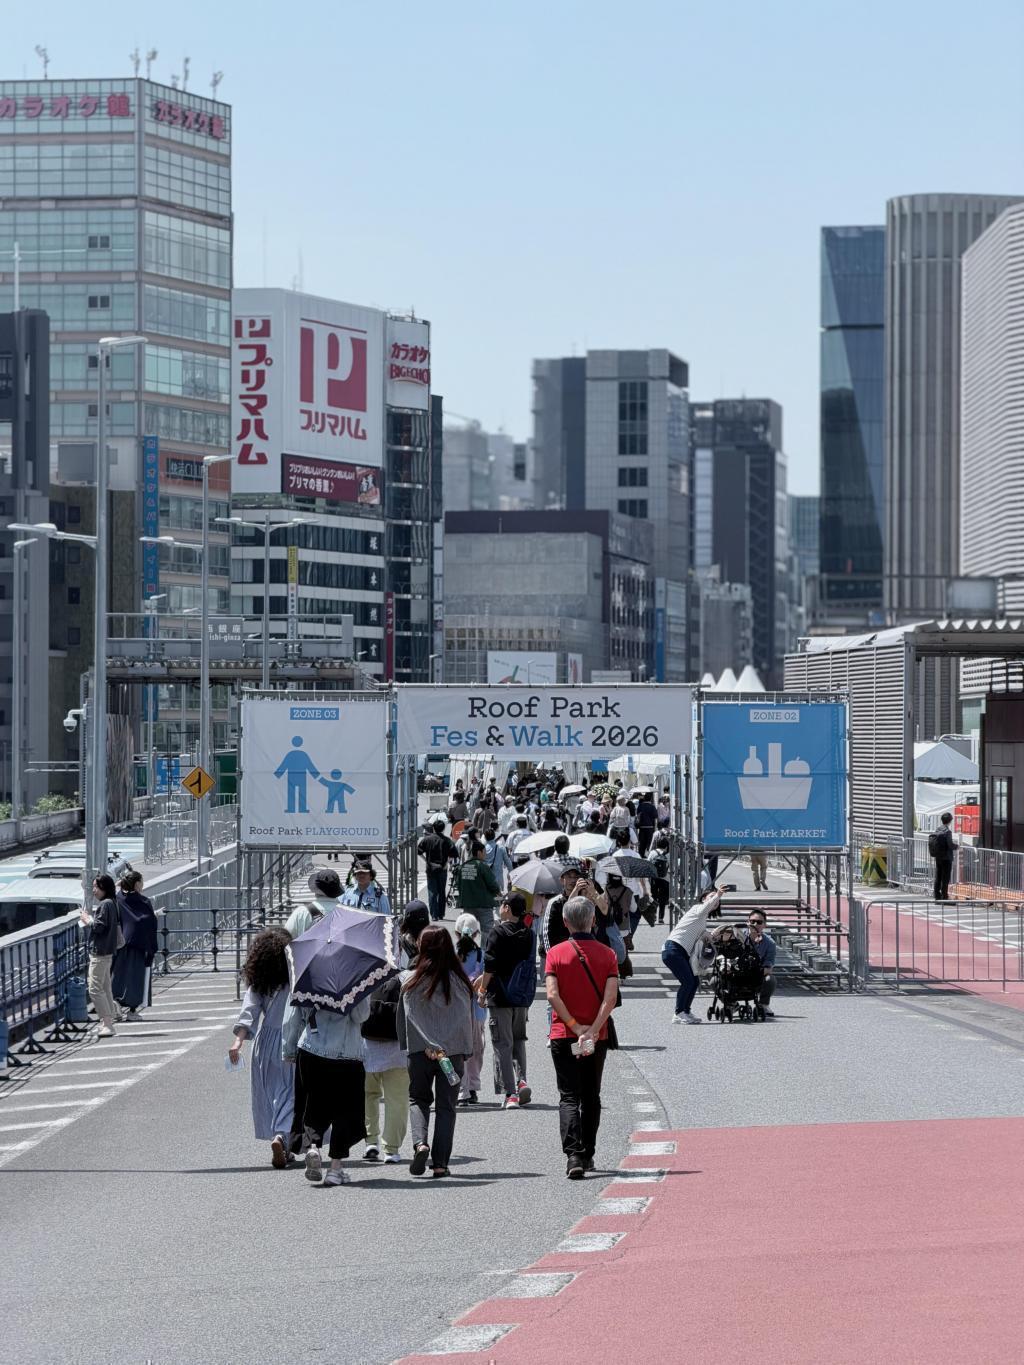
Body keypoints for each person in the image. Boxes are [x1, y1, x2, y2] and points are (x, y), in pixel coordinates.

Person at [545, 896, 620, 1179]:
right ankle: (588, 1153)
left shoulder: (555, 953)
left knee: (568, 1095)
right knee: (591, 1095)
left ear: (565, 922)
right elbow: (610, 998)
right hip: (596, 1035)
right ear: (593, 920)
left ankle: (573, 1156)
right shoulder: (608, 955)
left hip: (564, 1032)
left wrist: (575, 1027)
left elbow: (552, 995)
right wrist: (593, 1029)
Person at [281, 969, 371, 1188]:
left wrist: (289, 1049)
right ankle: (335, 1169)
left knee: (313, 1105)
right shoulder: (356, 976)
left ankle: (313, 1148)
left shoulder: (310, 973)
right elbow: (361, 1016)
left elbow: (296, 1014)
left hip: (310, 1049)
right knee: (344, 1111)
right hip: (345, 1054)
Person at [398, 924, 476, 1178]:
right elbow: (465, 1020)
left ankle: (420, 1144)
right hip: (451, 1054)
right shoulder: (460, 982)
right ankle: (440, 1163)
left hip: (420, 1051)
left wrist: (422, 1043)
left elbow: (406, 1018)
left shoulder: (411, 981)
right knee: (446, 1107)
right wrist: (459, 1049)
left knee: (418, 1099)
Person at [283, 867, 343, 1157]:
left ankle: (302, 1138)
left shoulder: (302, 914)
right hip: (340, 991)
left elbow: (287, 949)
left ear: (316, 889)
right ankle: (326, 1141)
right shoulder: (347, 914)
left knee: (304, 1081)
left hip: (307, 989)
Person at [228, 928, 294, 1168]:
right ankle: (282, 1136)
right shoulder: (294, 979)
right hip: (291, 1039)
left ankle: (284, 1142)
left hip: (265, 1042)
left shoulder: (259, 983)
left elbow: (249, 1011)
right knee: (291, 1092)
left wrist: (237, 1042)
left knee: (273, 1092)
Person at [476, 893, 535, 1109]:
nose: (500, 908)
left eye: (502, 904)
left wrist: (482, 990)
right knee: (518, 1039)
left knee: (502, 1043)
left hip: (500, 996)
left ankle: (511, 1094)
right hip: (521, 997)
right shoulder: (529, 934)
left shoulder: (497, 932)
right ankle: (521, 1080)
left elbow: (490, 965)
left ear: (507, 908)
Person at [361, 972, 408, 1164]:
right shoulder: (405, 978)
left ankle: (370, 1141)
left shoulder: (365, 977)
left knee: (368, 1096)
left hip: (367, 1049)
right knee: (397, 1101)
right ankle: (391, 1149)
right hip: (398, 1051)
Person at [661, 885, 723, 1023]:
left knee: (694, 982)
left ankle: (686, 1011)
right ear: (703, 899)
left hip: (680, 952)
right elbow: (706, 907)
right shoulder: (697, 909)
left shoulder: (702, 919)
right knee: (688, 981)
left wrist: (714, 936)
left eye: (717, 901)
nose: (715, 900)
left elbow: (706, 936)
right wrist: (718, 894)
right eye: (711, 897)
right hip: (673, 949)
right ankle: (678, 1013)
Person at [112, 870, 157, 1019]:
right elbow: (149, 922)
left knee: (118, 975)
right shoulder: (143, 902)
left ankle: (115, 1004)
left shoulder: (118, 899)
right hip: (139, 945)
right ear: (137, 884)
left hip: (120, 943)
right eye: (142, 881)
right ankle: (132, 1010)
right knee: (136, 977)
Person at [80, 873, 120, 1037]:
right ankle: (108, 1020)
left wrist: (87, 919)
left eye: (96, 886)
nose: (94, 890)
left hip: (100, 952)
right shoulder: (112, 903)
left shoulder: (104, 905)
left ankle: (108, 1023)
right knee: (105, 987)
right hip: (108, 951)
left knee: (94, 989)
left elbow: (98, 927)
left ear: (104, 888)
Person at [454, 913, 487, 1105]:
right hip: (478, 1009)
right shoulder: (482, 955)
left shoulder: (451, 954)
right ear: (476, 934)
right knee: (476, 1048)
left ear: (456, 933)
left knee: (458, 1048)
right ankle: (473, 1087)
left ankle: (461, 1089)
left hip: (456, 1009)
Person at [451, 839, 501, 938]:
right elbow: (493, 885)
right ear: (479, 852)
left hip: (467, 905)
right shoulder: (482, 866)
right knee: (487, 932)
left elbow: (458, 885)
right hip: (484, 905)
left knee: (467, 931)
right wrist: (499, 893)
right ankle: (484, 948)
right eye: (484, 852)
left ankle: (467, 947)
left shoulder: (463, 867)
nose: (485, 855)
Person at [418, 818, 458, 921]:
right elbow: (454, 854)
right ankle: (441, 914)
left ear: (433, 829)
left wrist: (426, 860)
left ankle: (434, 915)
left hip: (430, 868)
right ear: (443, 829)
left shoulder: (427, 839)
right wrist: (447, 862)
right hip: (442, 868)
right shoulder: (447, 840)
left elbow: (419, 851)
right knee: (441, 892)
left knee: (432, 892)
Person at [745, 910, 776, 1017]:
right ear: (747, 922)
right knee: (714, 980)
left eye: (759, 922)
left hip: (756, 975)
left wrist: (755, 973)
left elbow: (768, 967)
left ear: (764, 925)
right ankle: (731, 1004)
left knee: (770, 979)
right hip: (736, 974)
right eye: (752, 921)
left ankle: (763, 1004)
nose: (755, 924)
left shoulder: (770, 943)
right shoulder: (737, 937)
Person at [931, 813, 956, 901]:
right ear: (950, 821)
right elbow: (950, 845)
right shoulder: (947, 831)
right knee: (945, 878)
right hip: (946, 857)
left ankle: (937, 895)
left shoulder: (938, 829)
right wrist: (957, 846)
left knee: (938, 876)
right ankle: (944, 896)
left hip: (938, 856)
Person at [483, 825, 513, 892]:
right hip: (498, 880)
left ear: (485, 837)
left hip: (486, 880)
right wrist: (510, 876)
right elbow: (509, 864)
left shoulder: (483, 849)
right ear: (494, 836)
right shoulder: (501, 848)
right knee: (499, 896)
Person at [650, 833, 671, 925]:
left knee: (654, 897)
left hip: (654, 878)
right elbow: (672, 867)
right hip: (665, 879)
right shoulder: (669, 855)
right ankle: (661, 918)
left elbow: (648, 864)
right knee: (663, 899)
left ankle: (653, 916)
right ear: (666, 846)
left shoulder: (652, 853)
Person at [635, 790, 659, 857]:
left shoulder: (640, 806)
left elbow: (638, 815)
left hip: (642, 827)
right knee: (649, 842)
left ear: (644, 798)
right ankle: (649, 855)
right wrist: (655, 827)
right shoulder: (652, 807)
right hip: (650, 827)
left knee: (642, 842)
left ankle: (641, 855)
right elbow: (655, 817)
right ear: (650, 799)